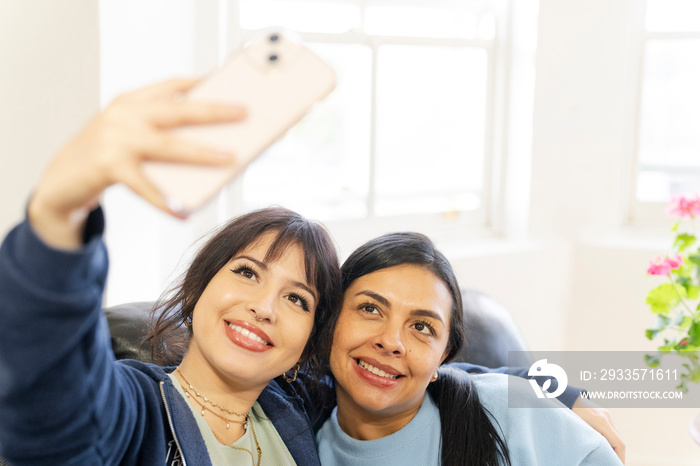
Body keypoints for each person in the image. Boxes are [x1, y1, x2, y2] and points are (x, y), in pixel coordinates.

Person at [0, 78, 343, 465]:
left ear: (308, 342)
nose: (265, 308)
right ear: (198, 289)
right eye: (247, 273)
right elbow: (53, 408)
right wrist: (59, 216)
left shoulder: (294, 415)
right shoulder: (137, 412)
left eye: (297, 298)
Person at [315, 232, 624, 465]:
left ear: (443, 357)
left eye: (421, 327)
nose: (391, 341)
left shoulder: (512, 412)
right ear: (330, 316)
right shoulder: (301, 446)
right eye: (370, 309)